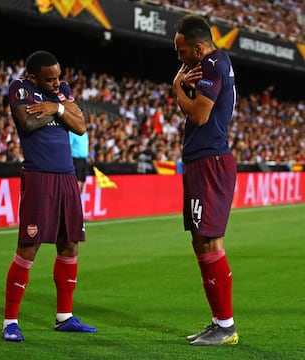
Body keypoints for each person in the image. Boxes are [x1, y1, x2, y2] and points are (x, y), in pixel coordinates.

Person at [2, 50, 97, 342]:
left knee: (69, 245)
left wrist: (54, 108)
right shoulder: (19, 88)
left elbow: (80, 126)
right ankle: (10, 322)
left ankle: (64, 317)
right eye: (50, 79)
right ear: (33, 77)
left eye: (58, 77)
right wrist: (62, 109)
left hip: (67, 175)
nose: (57, 83)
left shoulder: (60, 91)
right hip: (39, 175)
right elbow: (27, 123)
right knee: (28, 247)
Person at [172, 15, 239, 346]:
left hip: (211, 161)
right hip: (203, 162)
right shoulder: (214, 62)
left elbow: (199, 115)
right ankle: (218, 322)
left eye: (182, 52)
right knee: (201, 241)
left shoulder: (212, 63)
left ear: (199, 47)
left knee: (210, 242)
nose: (180, 59)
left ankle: (225, 326)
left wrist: (176, 89)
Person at [69, 129, 89, 194]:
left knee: (82, 180)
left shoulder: (85, 134)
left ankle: (79, 199)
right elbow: (69, 145)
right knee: (77, 181)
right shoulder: (72, 133)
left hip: (84, 160)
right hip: (76, 160)